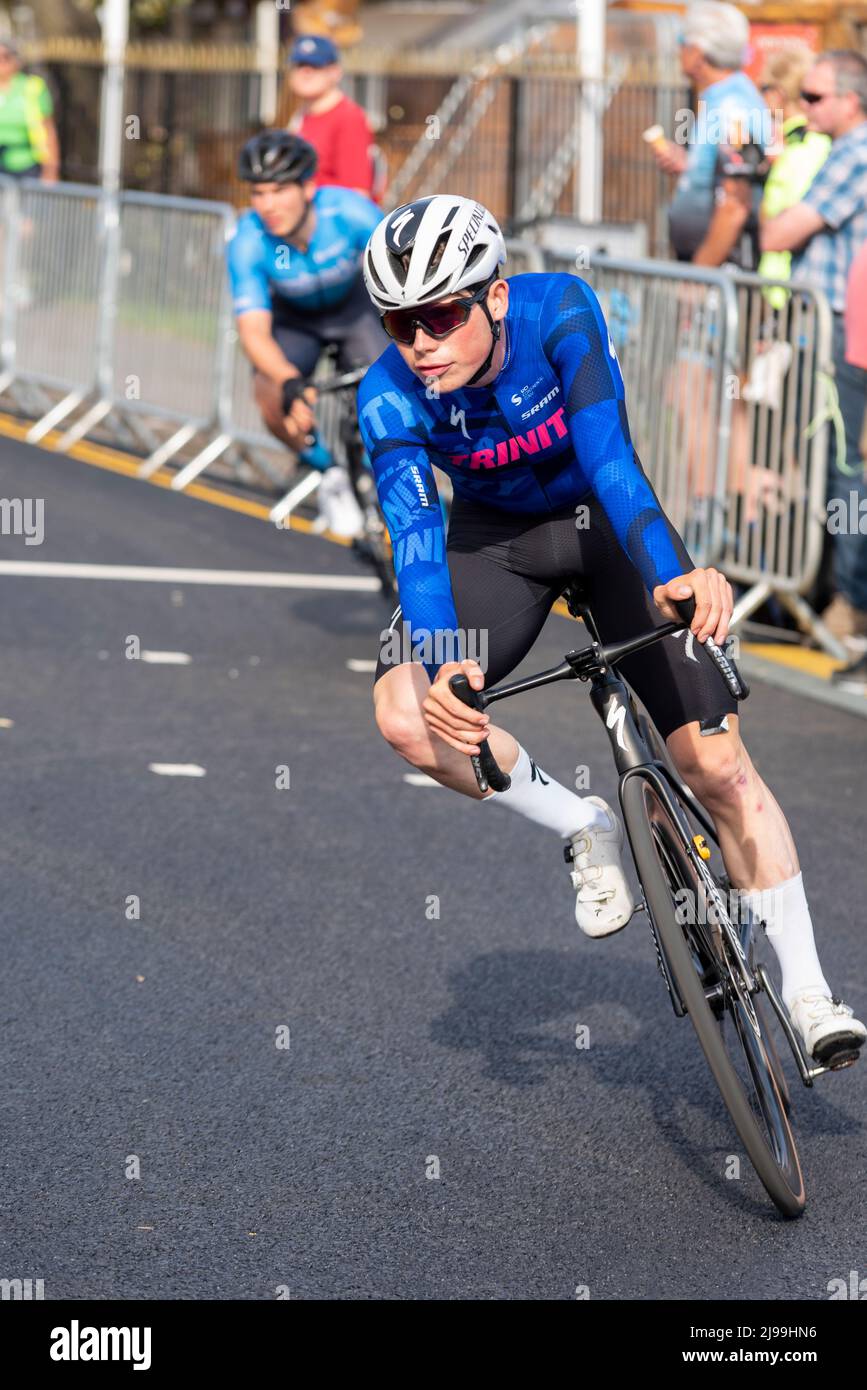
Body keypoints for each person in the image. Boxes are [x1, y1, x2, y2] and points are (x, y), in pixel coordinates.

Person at [356, 193, 865, 1065]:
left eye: (438, 315)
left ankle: (810, 992)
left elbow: (612, 460)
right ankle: (579, 820)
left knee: (714, 763)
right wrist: (444, 665)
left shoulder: (560, 310)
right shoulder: (388, 394)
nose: (419, 343)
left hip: (605, 519)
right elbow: (413, 540)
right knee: (405, 715)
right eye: (398, 323)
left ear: (496, 296)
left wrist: (672, 573)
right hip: (497, 542)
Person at [227, 129, 387, 534]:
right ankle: (329, 472)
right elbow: (253, 332)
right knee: (269, 393)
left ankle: (385, 466)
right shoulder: (248, 240)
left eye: (280, 190)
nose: (268, 205)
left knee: (394, 386)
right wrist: (290, 382)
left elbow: (401, 279)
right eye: (258, 193)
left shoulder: (350, 212)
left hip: (354, 309)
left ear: (308, 187)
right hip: (295, 321)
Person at [761, 50, 867, 647]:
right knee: (827, 462)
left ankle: (849, 605)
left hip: (840, 329)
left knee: (845, 468)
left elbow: (780, 230)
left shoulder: (854, 152)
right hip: (831, 325)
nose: (805, 106)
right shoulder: (838, 149)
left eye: (816, 97)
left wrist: (765, 208)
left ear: (851, 100)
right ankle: (830, 596)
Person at [651, 2, 767, 269]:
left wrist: (700, 274)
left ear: (698, 52)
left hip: (721, 269)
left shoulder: (732, 109)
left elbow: (735, 205)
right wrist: (688, 165)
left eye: (682, 41)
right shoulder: (720, 100)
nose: (678, 50)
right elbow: (722, 176)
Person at [757, 50, 831, 306]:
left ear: (776, 93)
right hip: (785, 285)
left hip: (787, 289)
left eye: (763, 88)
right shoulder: (791, 143)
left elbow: (786, 218)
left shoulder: (803, 148)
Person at [287, 34, 376, 200]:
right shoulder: (301, 116)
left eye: (315, 66)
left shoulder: (349, 118)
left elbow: (357, 195)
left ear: (335, 72)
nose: (306, 72)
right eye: (299, 65)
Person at [0, 36, 59, 182]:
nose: (1, 62)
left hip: (27, 165)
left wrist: (51, 171)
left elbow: (48, 130)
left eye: (5, 57)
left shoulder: (32, 88)